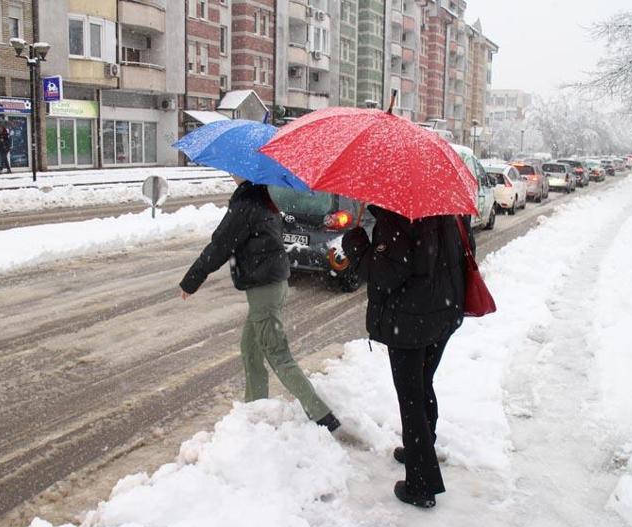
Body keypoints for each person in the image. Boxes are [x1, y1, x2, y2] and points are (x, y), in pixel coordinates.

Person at [179, 175, 343, 434]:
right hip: (271, 283)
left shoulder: (247, 203)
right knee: (250, 348)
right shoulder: (263, 198)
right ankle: (256, 408)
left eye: (235, 172)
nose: (232, 175)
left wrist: (191, 280)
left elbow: (220, 244)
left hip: (264, 288)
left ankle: (322, 414)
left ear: (245, 174)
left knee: (277, 353)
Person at [342, 207, 473, 509]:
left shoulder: (397, 219)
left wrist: (357, 245)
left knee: (411, 397)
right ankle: (422, 444)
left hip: (412, 322)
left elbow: (384, 275)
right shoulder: (446, 211)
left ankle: (421, 485)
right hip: (442, 314)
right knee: (423, 384)